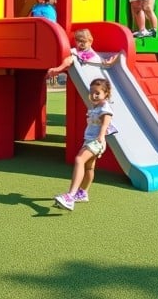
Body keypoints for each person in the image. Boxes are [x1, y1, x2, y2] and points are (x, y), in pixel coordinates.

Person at [54, 77, 117, 210]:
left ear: (106, 94)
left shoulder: (105, 107)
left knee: (79, 160)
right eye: (92, 92)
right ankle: (83, 193)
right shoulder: (95, 106)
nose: (94, 95)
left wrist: (100, 136)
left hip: (96, 141)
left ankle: (70, 196)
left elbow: (106, 121)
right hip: (90, 140)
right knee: (89, 167)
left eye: (97, 93)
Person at [47, 28, 117, 78]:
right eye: (78, 41)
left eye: (84, 41)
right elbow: (70, 60)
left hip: (98, 75)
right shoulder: (77, 52)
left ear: (90, 41)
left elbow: (70, 60)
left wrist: (59, 69)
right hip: (92, 76)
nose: (81, 44)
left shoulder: (90, 52)